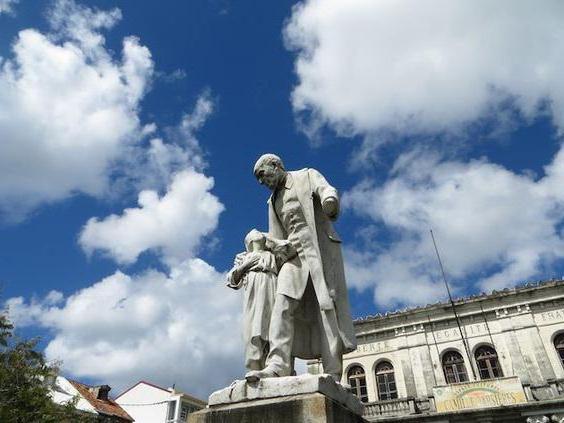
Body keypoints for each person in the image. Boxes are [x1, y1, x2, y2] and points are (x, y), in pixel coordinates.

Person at [245, 153, 357, 383]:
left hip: (319, 250)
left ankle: (333, 371)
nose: (261, 182)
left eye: (262, 175)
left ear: (275, 166)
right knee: (282, 305)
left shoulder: (306, 175)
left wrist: (329, 201)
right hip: (294, 257)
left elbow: (326, 189)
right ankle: (277, 365)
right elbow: (277, 236)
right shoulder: (273, 202)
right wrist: (270, 244)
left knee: (326, 307)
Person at [226, 229, 293, 371]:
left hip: (272, 284)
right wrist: (245, 265)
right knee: (253, 327)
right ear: (249, 244)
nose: (258, 238)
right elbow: (231, 280)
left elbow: (289, 248)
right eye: (254, 240)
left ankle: (274, 366)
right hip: (253, 287)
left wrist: (270, 238)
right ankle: (255, 368)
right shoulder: (244, 257)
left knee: (274, 325)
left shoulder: (272, 255)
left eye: (260, 239)